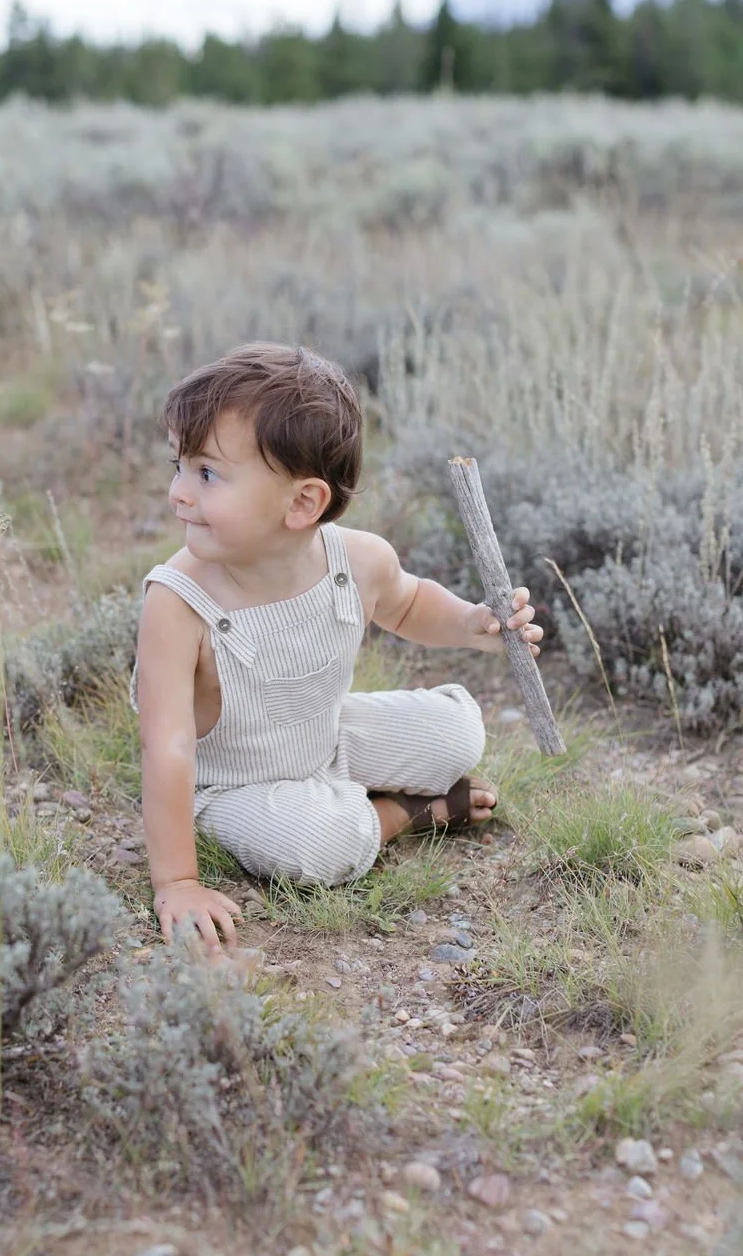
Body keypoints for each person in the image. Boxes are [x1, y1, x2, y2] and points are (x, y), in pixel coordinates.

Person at [130, 343, 542, 955]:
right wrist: (178, 881)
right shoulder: (178, 602)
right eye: (180, 467)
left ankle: (359, 789)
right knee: (322, 843)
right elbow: (167, 748)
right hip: (231, 785)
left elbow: (407, 603)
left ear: (303, 503)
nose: (180, 494)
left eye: (208, 474)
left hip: (329, 737)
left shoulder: (358, 559)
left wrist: (472, 624)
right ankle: (404, 814)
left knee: (459, 730)